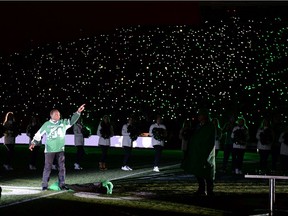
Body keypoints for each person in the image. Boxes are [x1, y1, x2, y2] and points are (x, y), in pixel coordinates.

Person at [29, 104, 85, 191]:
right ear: (52, 115)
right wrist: (33, 143)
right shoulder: (46, 124)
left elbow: (72, 121)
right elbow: (38, 134)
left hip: (60, 149)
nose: (59, 116)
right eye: (56, 114)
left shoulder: (63, 123)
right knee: (47, 167)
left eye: (59, 114)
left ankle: (62, 184)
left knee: (62, 168)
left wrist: (78, 112)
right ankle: (44, 185)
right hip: (49, 150)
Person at [182, 109, 215, 196]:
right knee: (197, 170)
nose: (198, 117)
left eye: (200, 115)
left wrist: (206, 151)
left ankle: (209, 190)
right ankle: (201, 188)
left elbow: (210, 140)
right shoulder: (199, 126)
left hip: (205, 152)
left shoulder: (210, 126)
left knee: (207, 171)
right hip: (197, 152)